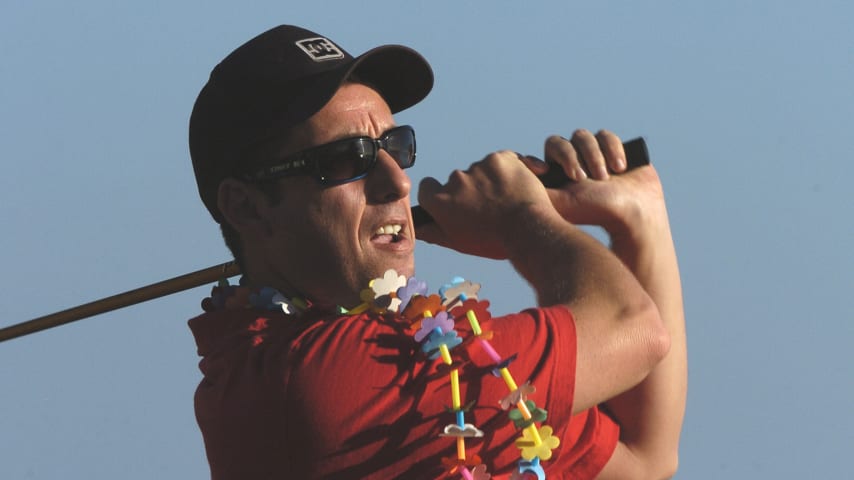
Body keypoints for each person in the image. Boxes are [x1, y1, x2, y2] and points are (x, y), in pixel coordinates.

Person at [188, 25, 686, 480]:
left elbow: (644, 457)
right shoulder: (315, 376)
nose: (398, 182)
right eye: (347, 158)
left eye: (395, 146)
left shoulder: (395, 366)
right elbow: (633, 328)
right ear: (247, 207)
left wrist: (639, 217)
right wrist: (521, 219)